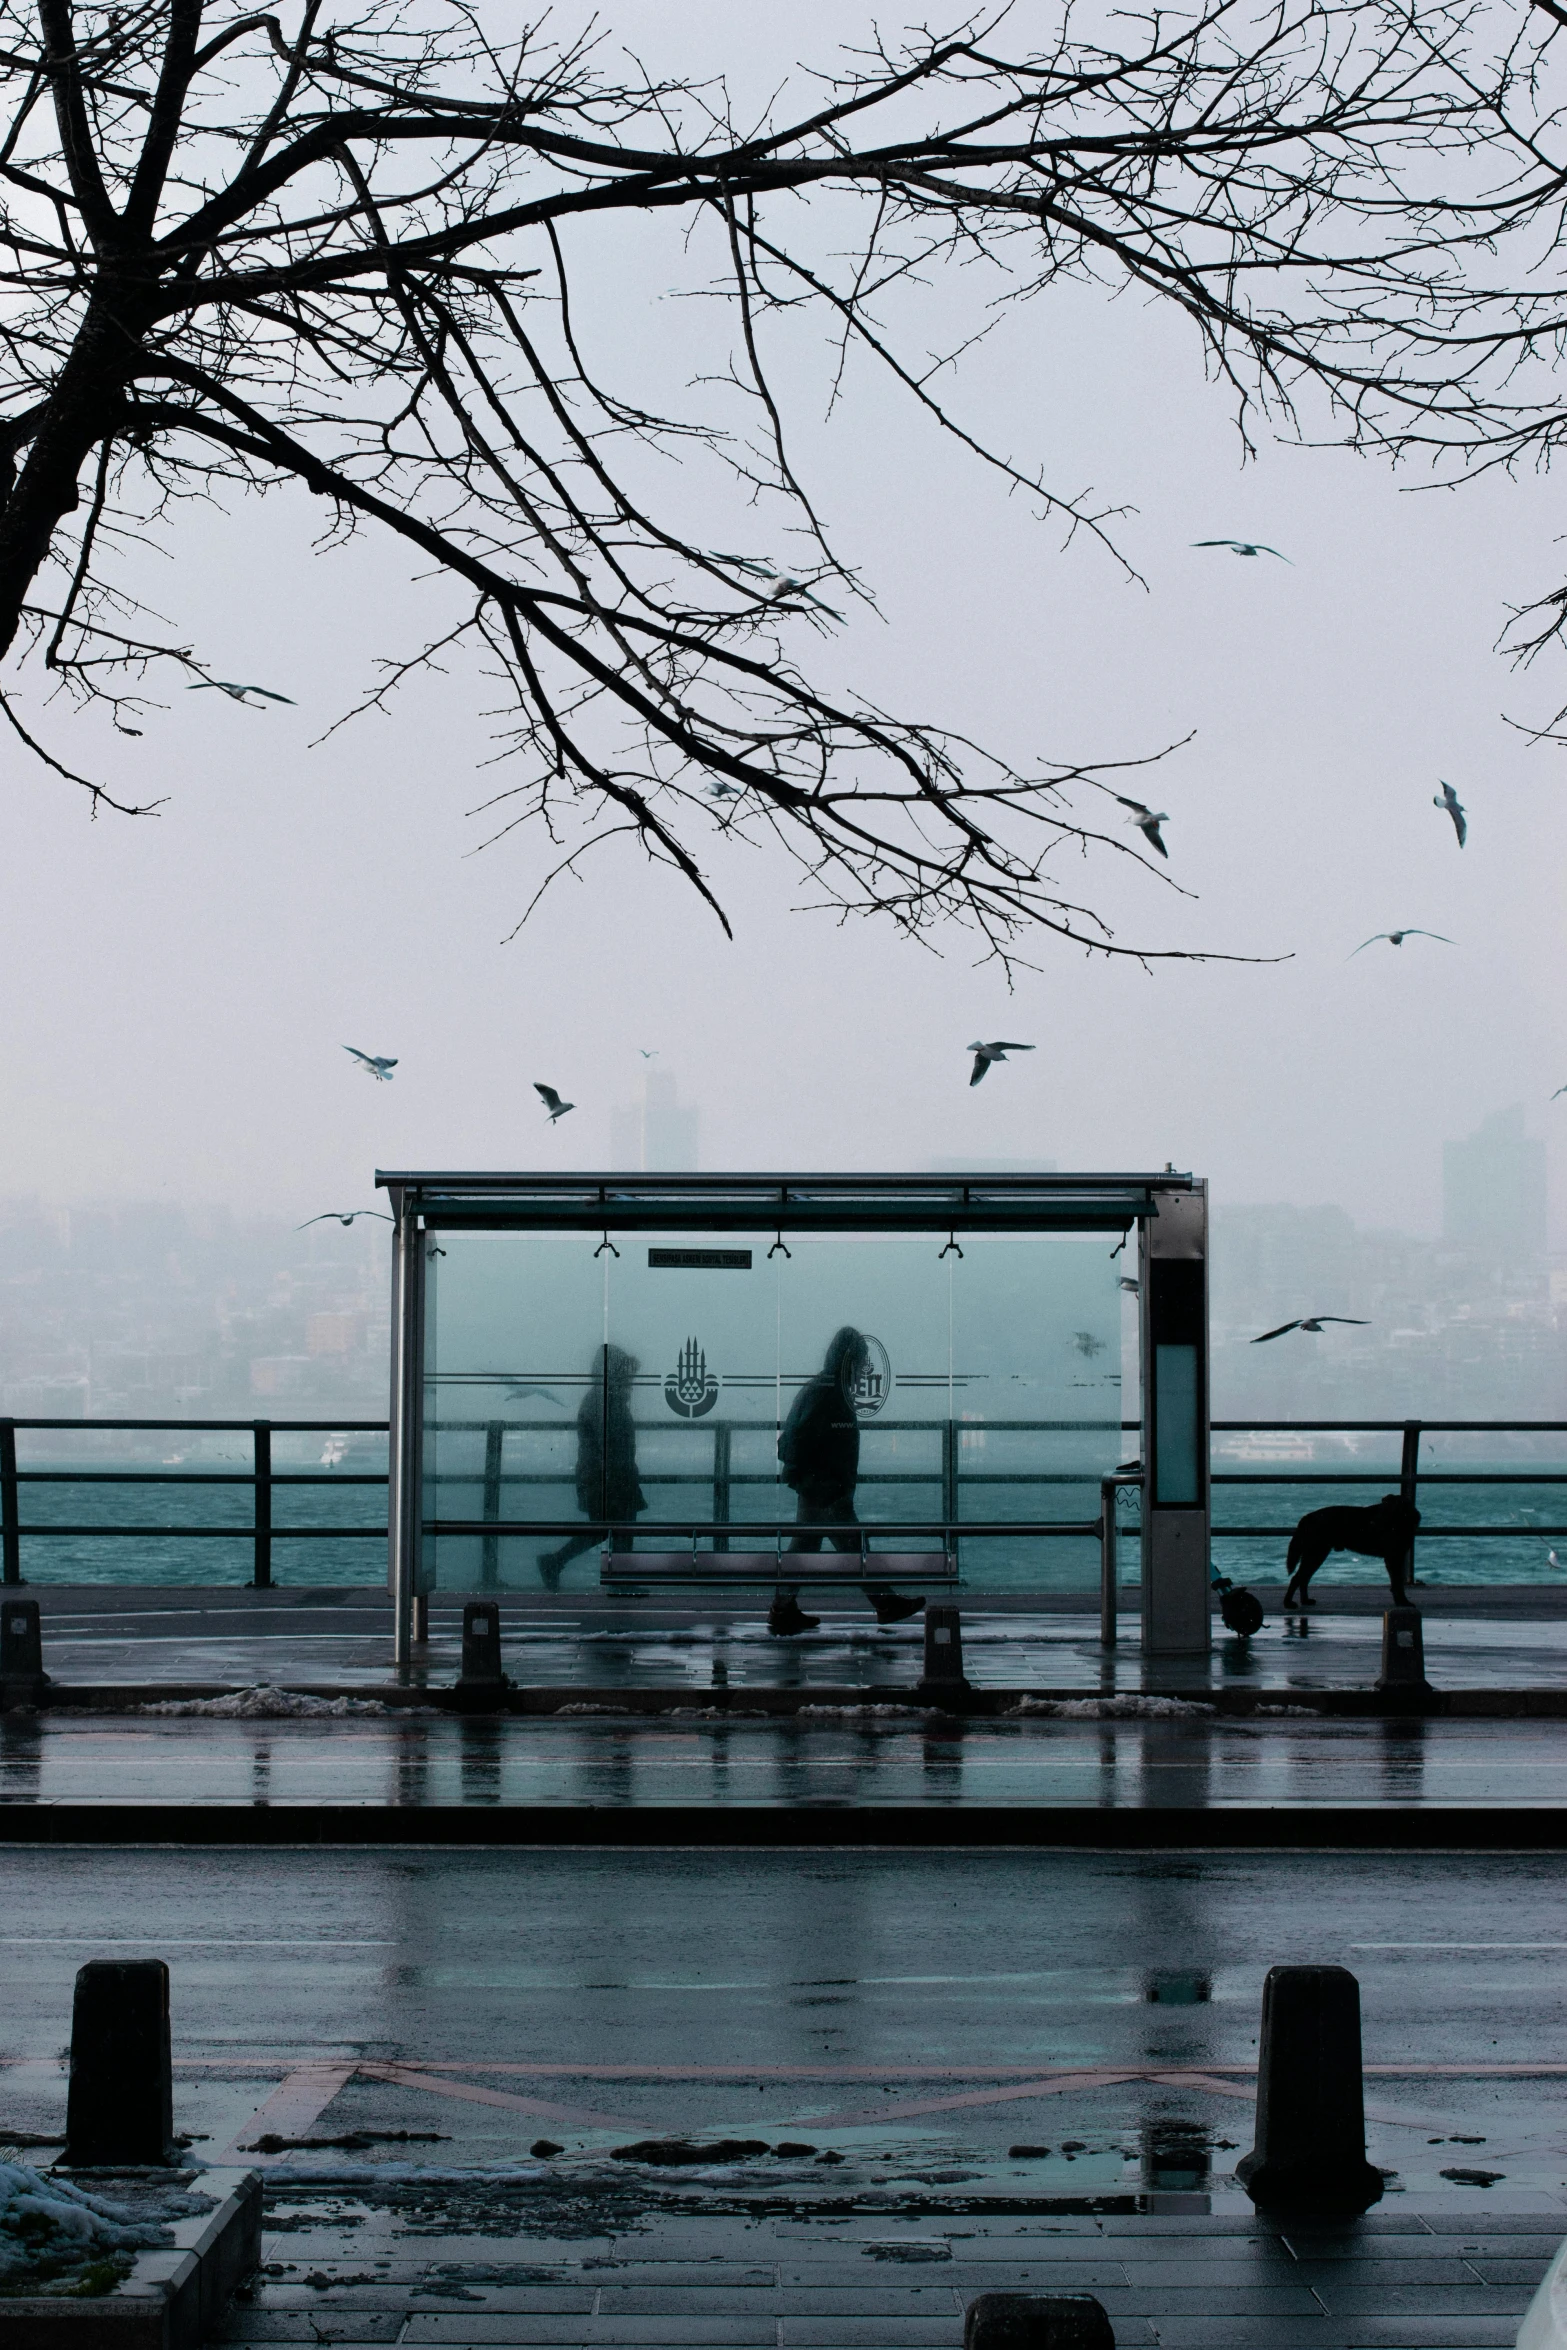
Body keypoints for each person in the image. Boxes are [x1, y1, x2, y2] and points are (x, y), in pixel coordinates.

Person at [769, 1323, 923, 1636]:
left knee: (808, 1546)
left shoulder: (823, 1388)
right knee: (853, 1546)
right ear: (849, 1361)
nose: (863, 1370)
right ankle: (885, 1603)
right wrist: (825, 1481)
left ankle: (783, 1609)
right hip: (826, 1488)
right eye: (860, 1361)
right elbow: (804, 1439)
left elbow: (798, 1438)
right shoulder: (829, 1392)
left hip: (819, 1485)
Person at [537, 1344, 644, 1590]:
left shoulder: (600, 1398)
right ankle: (621, 1580)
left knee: (604, 1528)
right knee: (620, 1527)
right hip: (610, 1477)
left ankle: (556, 1562)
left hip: (603, 1476)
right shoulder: (606, 1400)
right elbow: (612, 1442)